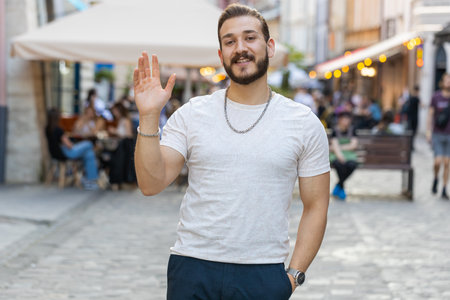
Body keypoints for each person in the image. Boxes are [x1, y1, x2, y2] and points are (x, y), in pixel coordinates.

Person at [133, 4, 330, 299]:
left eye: (250, 38)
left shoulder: (303, 123)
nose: (240, 48)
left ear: (269, 46)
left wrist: (293, 275)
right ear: (221, 54)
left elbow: (316, 205)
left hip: (262, 272)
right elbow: (151, 183)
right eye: (229, 41)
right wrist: (148, 116)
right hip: (192, 267)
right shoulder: (192, 114)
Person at [45, 108, 99, 190]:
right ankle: (90, 180)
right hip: (66, 153)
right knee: (89, 144)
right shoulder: (58, 130)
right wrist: (73, 144)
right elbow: (69, 145)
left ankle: (88, 180)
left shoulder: (47, 129)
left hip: (56, 153)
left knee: (89, 154)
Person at [427, 73, 450, 200]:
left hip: (449, 134)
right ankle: (436, 178)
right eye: (447, 80)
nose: (449, 83)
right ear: (442, 82)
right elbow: (430, 115)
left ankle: (444, 188)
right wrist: (428, 131)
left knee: (447, 163)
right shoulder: (436, 97)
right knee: (437, 162)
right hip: (437, 133)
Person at [329, 111, 358, 200]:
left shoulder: (352, 130)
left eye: (347, 119)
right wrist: (339, 155)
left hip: (349, 154)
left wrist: (339, 147)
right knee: (339, 165)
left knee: (351, 165)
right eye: (344, 119)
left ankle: (339, 186)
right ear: (340, 120)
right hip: (336, 154)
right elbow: (334, 144)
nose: (346, 121)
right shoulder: (335, 130)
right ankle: (341, 188)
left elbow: (354, 145)